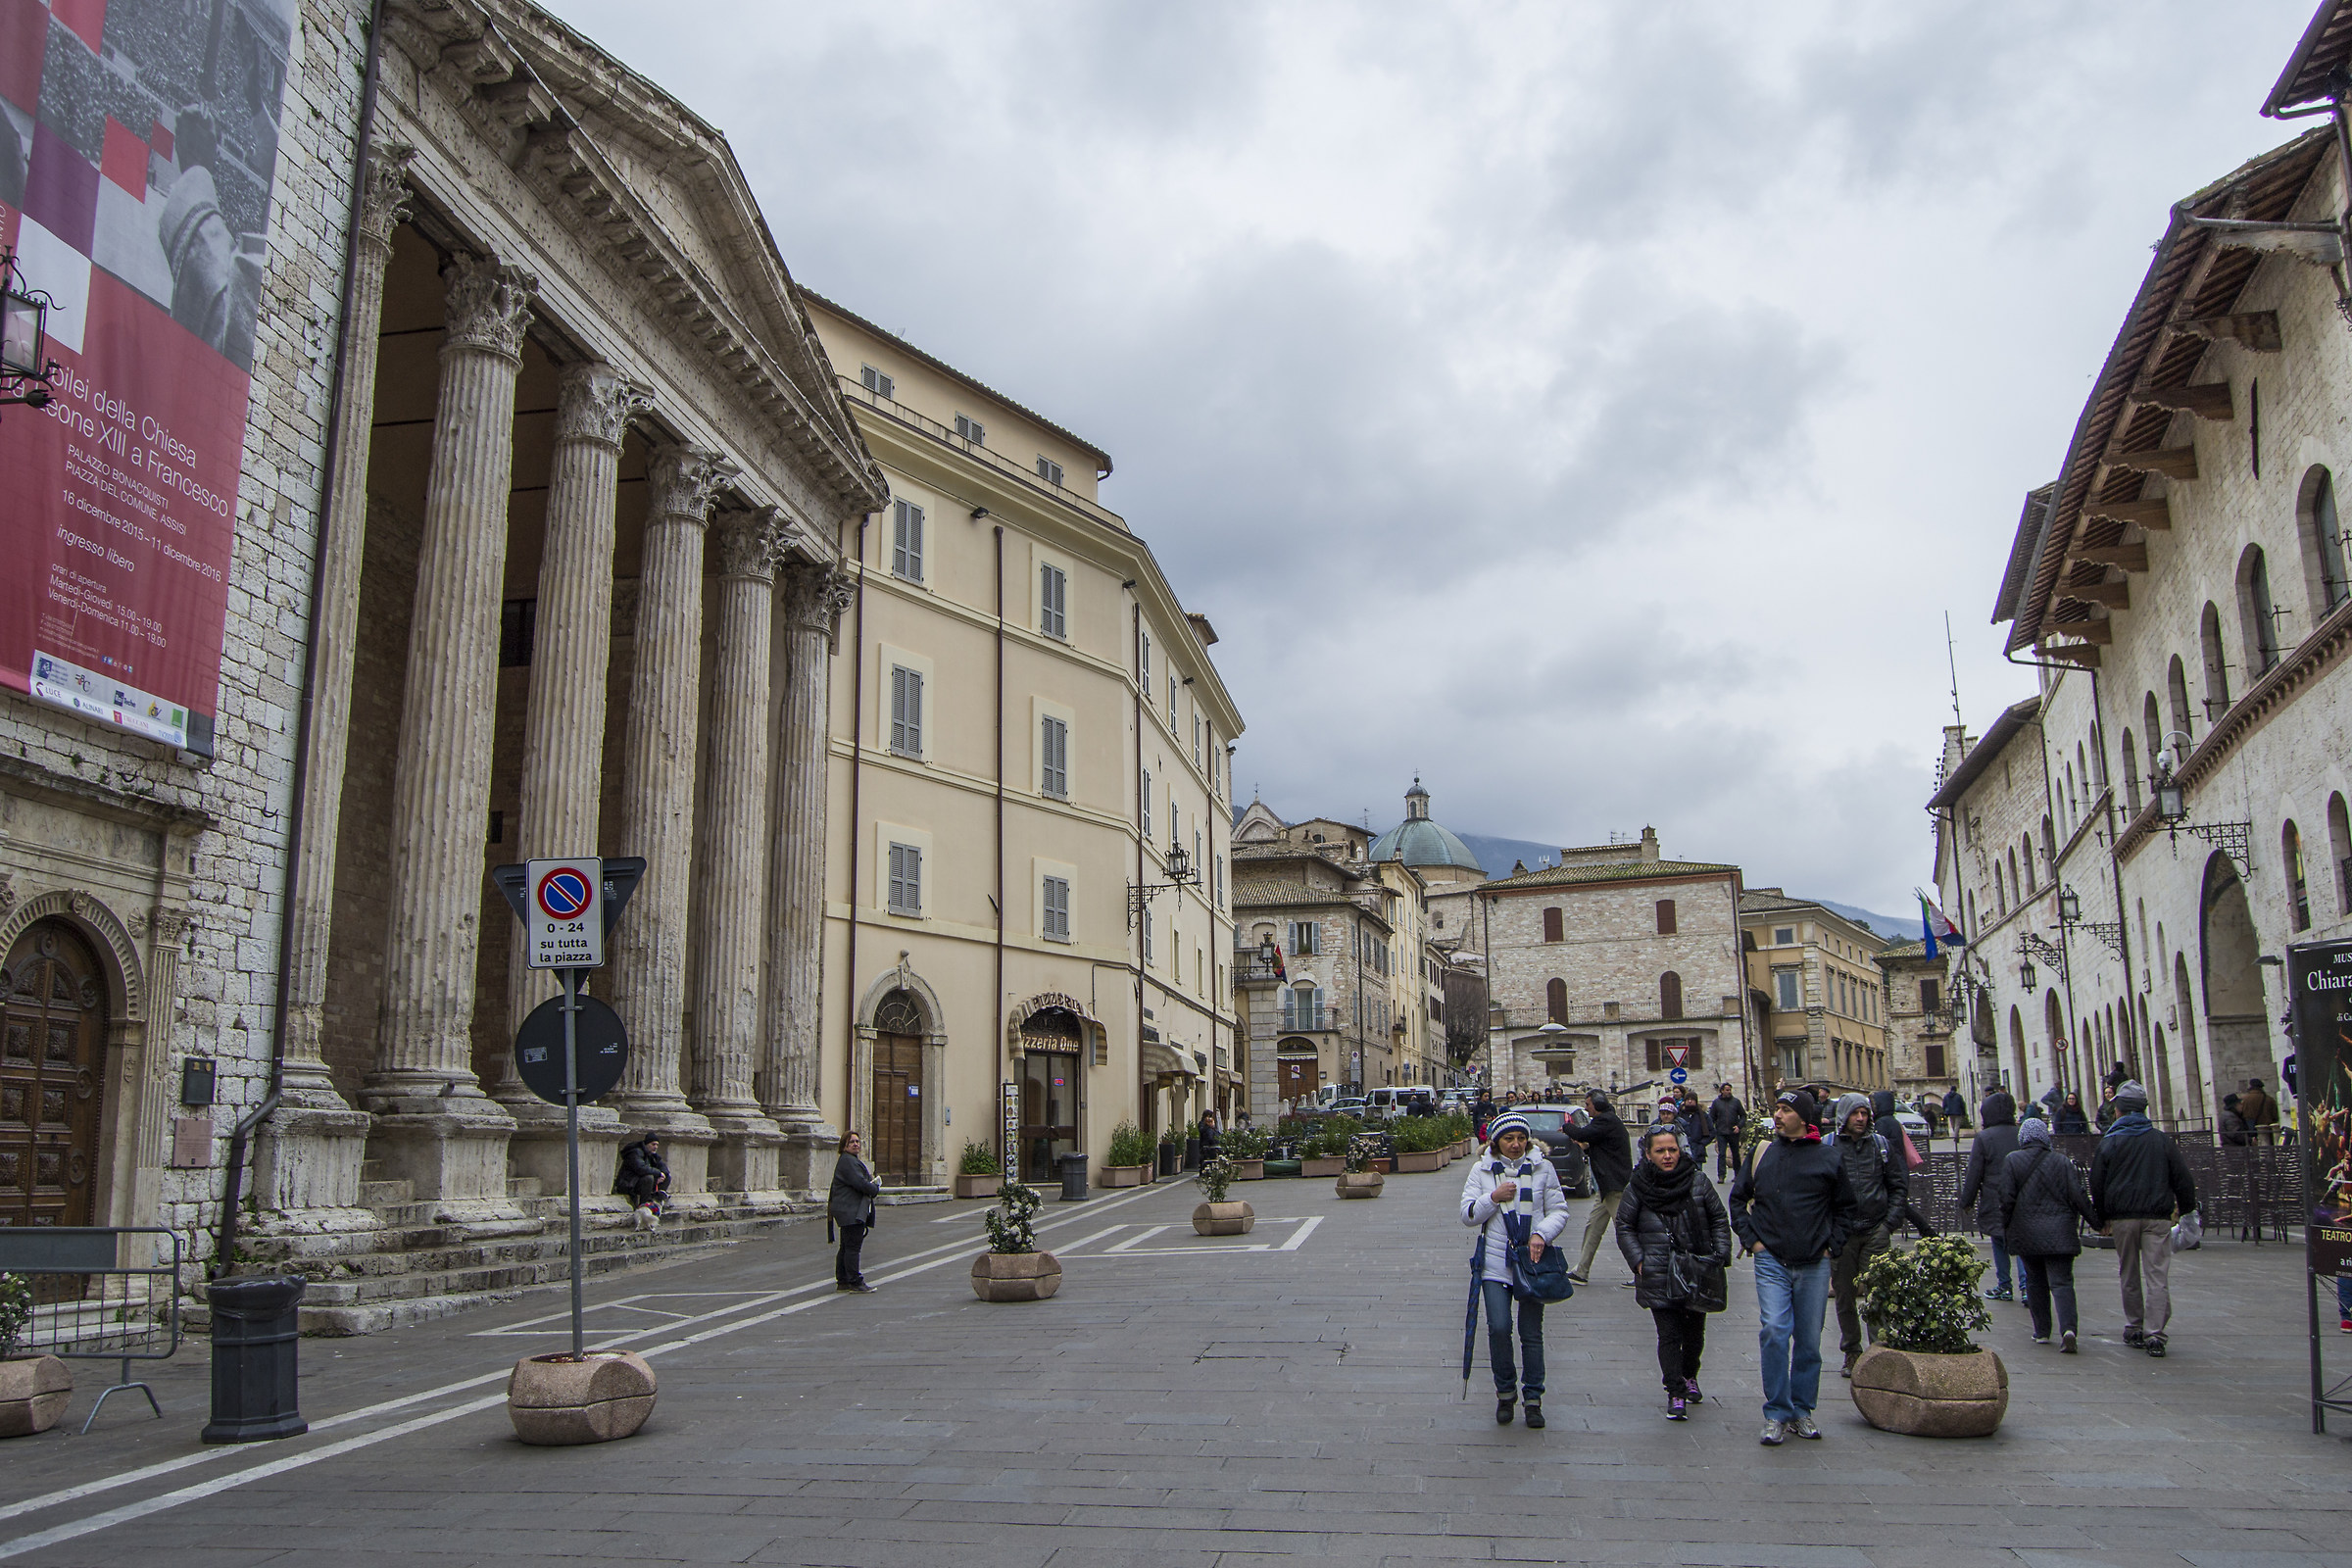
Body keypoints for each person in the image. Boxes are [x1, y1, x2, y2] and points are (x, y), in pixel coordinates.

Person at [1729, 1089, 1859, 1446]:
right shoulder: (1763, 1154)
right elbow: (1738, 1199)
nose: (1778, 1115)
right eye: (1777, 1109)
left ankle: (1802, 1409)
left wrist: (1833, 1245)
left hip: (1815, 1261)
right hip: (1772, 1258)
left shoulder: (1827, 1157)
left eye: (1785, 1110)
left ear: (1803, 1117)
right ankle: (1776, 1412)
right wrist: (1752, 1241)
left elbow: (1846, 1207)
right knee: (1774, 1329)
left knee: (1809, 1341)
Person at [1460, 1111, 1569, 1428]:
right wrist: (1493, 1198)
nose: (1516, 1144)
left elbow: (1559, 1210)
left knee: (1531, 1334)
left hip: (1532, 1264)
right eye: (1509, 1139)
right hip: (1495, 1265)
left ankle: (1533, 1399)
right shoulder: (1481, 1171)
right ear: (1496, 1142)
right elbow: (1467, 1215)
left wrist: (1541, 1234)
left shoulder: (1542, 1168)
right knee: (1498, 1328)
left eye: (1521, 1138)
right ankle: (1505, 1394)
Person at [1617, 1124, 1733, 1421]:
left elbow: (1719, 1218)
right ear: (1648, 1154)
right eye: (1661, 1151)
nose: (1668, 1156)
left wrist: (1719, 1254)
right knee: (1668, 1334)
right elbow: (1624, 1226)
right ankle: (1675, 1390)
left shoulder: (1697, 1181)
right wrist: (1638, 1260)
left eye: (1672, 1149)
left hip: (1696, 1266)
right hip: (1658, 1268)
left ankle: (1689, 1374)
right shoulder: (1637, 1186)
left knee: (1694, 1333)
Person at [2088, 1079, 2196, 1357]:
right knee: (2157, 1274)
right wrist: (2186, 1209)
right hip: (2157, 1216)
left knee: (2128, 1271)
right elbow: (2183, 1178)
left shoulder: (2109, 1142)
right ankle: (2155, 1333)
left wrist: (2101, 1218)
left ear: (2119, 1111)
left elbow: (2097, 1183)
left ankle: (2134, 1325)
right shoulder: (2160, 1140)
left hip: (2122, 1217)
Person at [2000, 1117, 2096, 1352]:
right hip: (2061, 1232)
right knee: (2062, 1283)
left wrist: (2005, 1228)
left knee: (2035, 1281)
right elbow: (2078, 1196)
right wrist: (2097, 1222)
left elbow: (2006, 1199)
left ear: (2022, 1138)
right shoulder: (2062, 1162)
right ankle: (2068, 1330)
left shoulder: (2012, 1161)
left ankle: (2042, 1331)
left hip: (2027, 1232)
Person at [1829, 1094, 1906, 1377]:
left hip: (1875, 1229)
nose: (1860, 1119)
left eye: (1864, 1113)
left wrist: (1888, 1224)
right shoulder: (1830, 1146)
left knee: (1877, 1295)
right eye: (1855, 1114)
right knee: (1845, 1296)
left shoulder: (1880, 1146)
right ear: (1844, 1117)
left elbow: (1897, 1186)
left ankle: (1879, 1351)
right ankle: (1852, 1350)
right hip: (1843, 1233)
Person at [1560, 1091, 1633, 1285]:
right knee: (1593, 1226)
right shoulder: (1608, 1122)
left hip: (1614, 1185)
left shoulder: (1606, 1121)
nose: (1586, 1108)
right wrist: (1585, 1147)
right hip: (1606, 1186)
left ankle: (1642, 1271)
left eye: (1588, 1104)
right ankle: (1582, 1271)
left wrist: (1567, 1126)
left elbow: (1582, 1133)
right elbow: (1602, 1147)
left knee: (1626, 1230)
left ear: (1598, 1104)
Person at [1958, 1091, 2024, 1300]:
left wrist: (1967, 1201)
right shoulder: (2020, 1133)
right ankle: (2027, 1286)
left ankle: (2004, 1285)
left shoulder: (1985, 1137)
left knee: (1999, 1241)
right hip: (2022, 1196)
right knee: (2022, 1243)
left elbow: (1974, 1172)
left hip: (1995, 1197)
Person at [829, 1130, 883, 1293]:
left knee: (846, 1246)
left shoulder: (849, 1160)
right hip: (850, 1211)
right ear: (844, 1146)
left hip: (848, 1209)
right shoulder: (848, 1162)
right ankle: (854, 1281)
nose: (855, 1144)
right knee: (852, 1247)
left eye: (857, 1141)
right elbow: (859, 1182)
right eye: (851, 1142)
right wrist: (874, 1188)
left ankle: (843, 1280)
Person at [612, 1133, 669, 1229]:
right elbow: (641, 1168)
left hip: (637, 1182)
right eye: (653, 1144)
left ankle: (656, 1199)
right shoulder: (635, 1152)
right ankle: (644, 1206)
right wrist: (658, 1173)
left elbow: (663, 1168)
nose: (655, 1147)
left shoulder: (652, 1155)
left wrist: (662, 1174)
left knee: (666, 1177)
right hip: (628, 1183)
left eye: (657, 1145)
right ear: (647, 1144)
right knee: (649, 1178)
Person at [1710, 1083, 1746, 1179]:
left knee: (1735, 1154)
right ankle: (1721, 1175)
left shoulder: (1736, 1102)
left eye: (1730, 1090)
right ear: (1722, 1091)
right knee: (1722, 1154)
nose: (1729, 1092)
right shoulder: (1716, 1103)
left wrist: (1739, 1126)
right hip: (1721, 1132)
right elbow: (1711, 1118)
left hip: (1733, 1132)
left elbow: (1743, 1116)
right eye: (1727, 1090)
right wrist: (1714, 1130)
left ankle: (1737, 1174)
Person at [2239, 1078, 2278, 1144]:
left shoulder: (2245, 1100)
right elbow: (2275, 1116)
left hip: (2251, 1131)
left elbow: (2242, 1114)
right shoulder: (2269, 1099)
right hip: (2267, 1131)